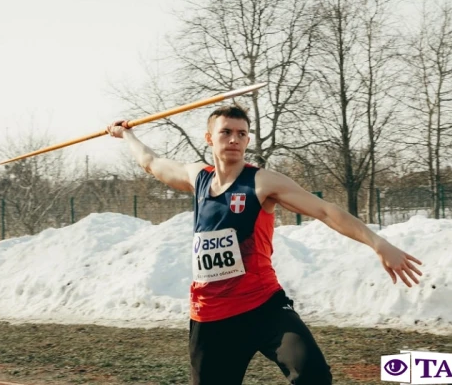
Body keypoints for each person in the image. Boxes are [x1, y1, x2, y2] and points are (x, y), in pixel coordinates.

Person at [106, 105, 423, 385]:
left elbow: (326, 210)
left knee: (313, 374)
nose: (234, 139)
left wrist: (378, 242)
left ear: (247, 140)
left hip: (263, 306)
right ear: (209, 138)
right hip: (211, 315)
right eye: (226, 132)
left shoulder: (262, 182)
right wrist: (127, 135)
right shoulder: (197, 177)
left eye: (241, 134)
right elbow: (151, 162)